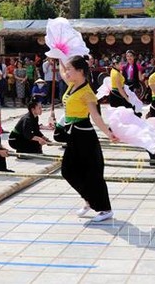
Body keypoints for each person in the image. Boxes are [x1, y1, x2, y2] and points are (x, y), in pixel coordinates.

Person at [58, 55, 118, 222]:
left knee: (92, 173)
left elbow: (96, 117)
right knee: (68, 171)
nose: (67, 72)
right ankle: (89, 200)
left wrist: (109, 133)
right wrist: (58, 57)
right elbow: (62, 72)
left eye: (70, 69)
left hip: (84, 135)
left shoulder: (87, 93)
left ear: (80, 71)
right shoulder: (72, 85)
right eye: (67, 69)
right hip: (72, 134)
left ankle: (105, 209)